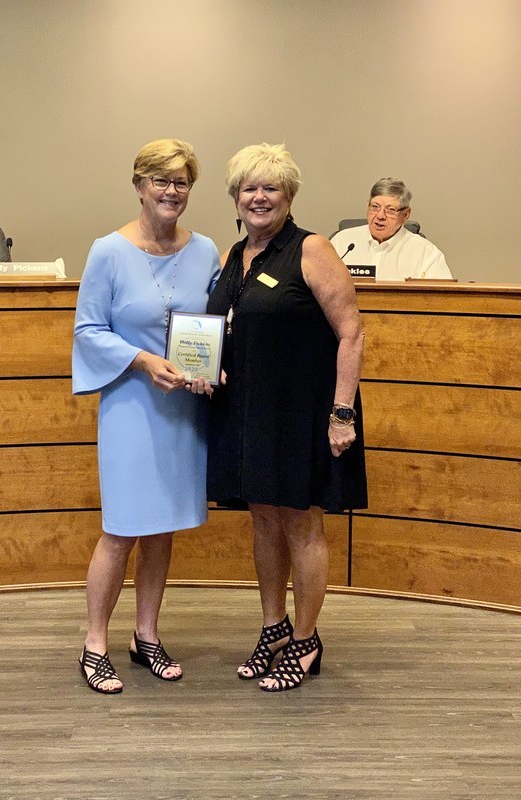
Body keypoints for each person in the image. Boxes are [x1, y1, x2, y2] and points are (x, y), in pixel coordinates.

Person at [207, 143, 367, 692]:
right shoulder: (232, 256)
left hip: (302, 413)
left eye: (270, 187)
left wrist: (342, 413)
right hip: (247, 413)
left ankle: (305, 638)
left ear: (289, 195)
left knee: (301, 522)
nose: (258, 197)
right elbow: (224, 329)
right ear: (235, 197)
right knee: (263, 521)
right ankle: (273, 627)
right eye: (248, 188)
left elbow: (351, 332)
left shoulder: (312, 249)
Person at [72, 139, 220, 694]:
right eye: (160, 180)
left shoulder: (205, 250)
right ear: (139, 186)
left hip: (182, 410)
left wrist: (214, 367)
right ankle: (94, 644)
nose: (171, 191)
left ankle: (146, 636)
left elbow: (217, 324)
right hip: (131, 407)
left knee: (161, 529)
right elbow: (89, 330)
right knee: (121, 531)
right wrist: (142, 360)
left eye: (181, 181)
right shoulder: (107, 251)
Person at [330, 177, 453, 280]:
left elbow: (440, 296)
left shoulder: (425, 252)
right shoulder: (341, 242)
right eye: (375, 207)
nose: (380, 216)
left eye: (390, 210)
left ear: (405, 214)